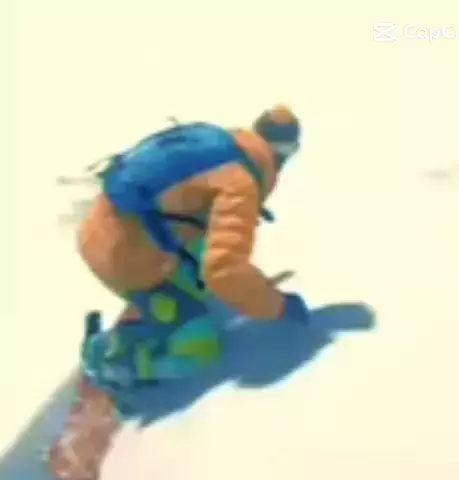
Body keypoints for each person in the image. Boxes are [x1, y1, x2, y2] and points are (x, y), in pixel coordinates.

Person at [77, 105, 310, 386]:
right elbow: (223, 270)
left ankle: (168, 300)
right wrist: (278, 306)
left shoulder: (217, 142)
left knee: (209, 256)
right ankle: (113, 359)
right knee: (199, 350)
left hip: (105, 228)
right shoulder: (239, 184)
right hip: (125, 257)